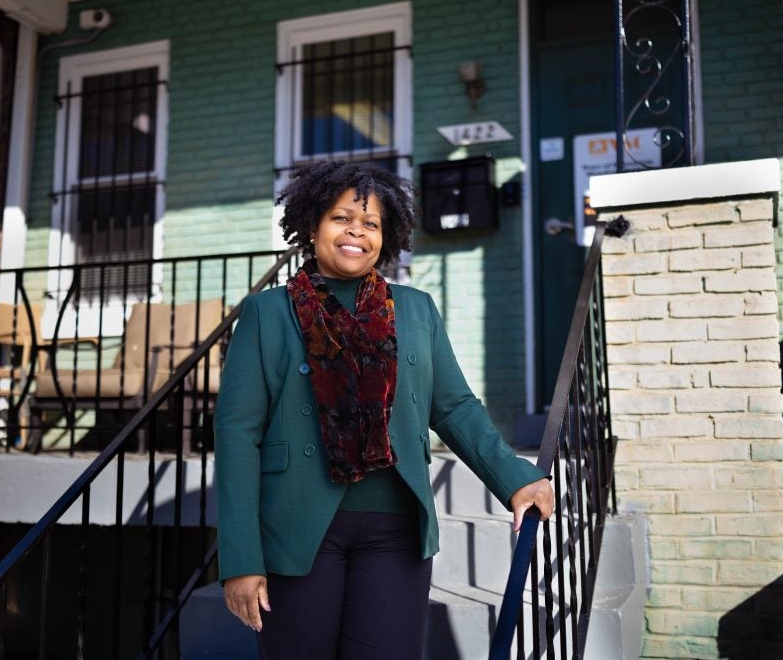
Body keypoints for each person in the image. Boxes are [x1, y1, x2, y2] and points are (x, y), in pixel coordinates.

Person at [214, 161, 554, 659]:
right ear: (312, 226)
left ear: (385, 236)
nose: (356, 231)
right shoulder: (267, 313)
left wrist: (514, 477)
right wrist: (241, 558)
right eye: (340, 218)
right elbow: (237, 434)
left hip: (395, 527)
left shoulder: (416, 310)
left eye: (370, 223)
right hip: (297, 527)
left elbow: (454, 406)